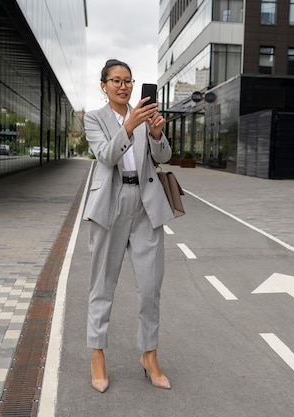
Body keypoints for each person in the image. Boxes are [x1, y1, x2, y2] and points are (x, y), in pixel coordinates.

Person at [83, 59, 174, 393]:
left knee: (150, 287)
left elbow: (163, 157)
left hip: (147, 204)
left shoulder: (145, 116)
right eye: (116, 80)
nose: (123, 86)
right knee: (102, 285)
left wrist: (156, 133)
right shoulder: (94, 119)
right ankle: (97, 355)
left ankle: (149, 356)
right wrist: (129, 126)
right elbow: (106, 156)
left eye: (128, 81)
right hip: (110, 203)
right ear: (104, 85)